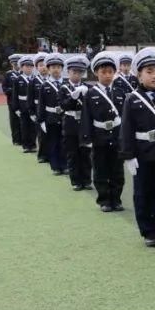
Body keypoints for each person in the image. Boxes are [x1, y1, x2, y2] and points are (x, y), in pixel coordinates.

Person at [120, 47, 155, 247]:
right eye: (149, 72)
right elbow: (126, 128)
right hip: (143, 154)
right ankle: (148, 231)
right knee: (143, 193)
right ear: (139, 75)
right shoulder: (132, 99)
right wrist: (129, 156)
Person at [80, 52, 127, 212]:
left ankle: (116, 198)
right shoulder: (91, 94)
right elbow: (86, 117)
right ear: (96, 73)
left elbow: (125, 117)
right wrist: (87, 138)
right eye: (103, 72)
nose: (107, 75)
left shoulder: (120, 93)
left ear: (114, 73)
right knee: (100, 169)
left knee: (117, 170)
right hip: (99, 136)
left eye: (110, 72)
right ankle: (104, 200)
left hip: (116, 135)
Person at [61, 55, 93, 191]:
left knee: (85, 153)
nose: (77, 75)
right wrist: (73, 97)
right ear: (68, 72)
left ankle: (86, 180)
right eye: (74, 72)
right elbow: (63, 106)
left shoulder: (87, 87)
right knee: (73, 154)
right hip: (70, 123)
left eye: (80, 72)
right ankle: (75, 181)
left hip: (84, 124)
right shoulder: (64, 88)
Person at [36, 53, 68, 175]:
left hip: (65, 117)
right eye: (53, 67)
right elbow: (41, 105)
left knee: (64, 143)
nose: (56, 70)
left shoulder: (66, 84)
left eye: (58, 67)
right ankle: (55, 166)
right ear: (48, 69)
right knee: (53, 143)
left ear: (62, 69)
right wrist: (41, 120)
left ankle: (64, 165)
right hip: (51, 118)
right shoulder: (45, 86)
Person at [14, 55, 38, 153]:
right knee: (24, 126)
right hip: (22, 106)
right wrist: (16, 108)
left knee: (33, 127)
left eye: (30, 66)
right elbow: (15, 95)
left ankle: (32, 145)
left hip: (33, 106)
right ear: (22, 67)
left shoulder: (35, 79)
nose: (28, 68)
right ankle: (26, 145)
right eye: (26, 66)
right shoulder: (18, 80)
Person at [30, 52, 49, 163]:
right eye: (41, 65)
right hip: (39, 110)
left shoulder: (53, 81)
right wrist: (32, 112)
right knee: (41, 134)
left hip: (51, 111)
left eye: (45, 65)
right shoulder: (33, 81)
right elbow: (30, 99)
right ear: (37, 67)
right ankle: (42, 155)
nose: (43, 68)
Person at [2, 53, 22, 146]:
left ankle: (24, 138)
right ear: (11, 64)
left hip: (23, 101)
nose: (16, 65)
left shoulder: (24, 74)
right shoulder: (8, 75)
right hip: (12, 101)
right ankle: (16, 139)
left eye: (17, 63)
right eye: (14, 63)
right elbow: (5, 88)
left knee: (24, 120)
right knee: (14, 121)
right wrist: (12, 90)